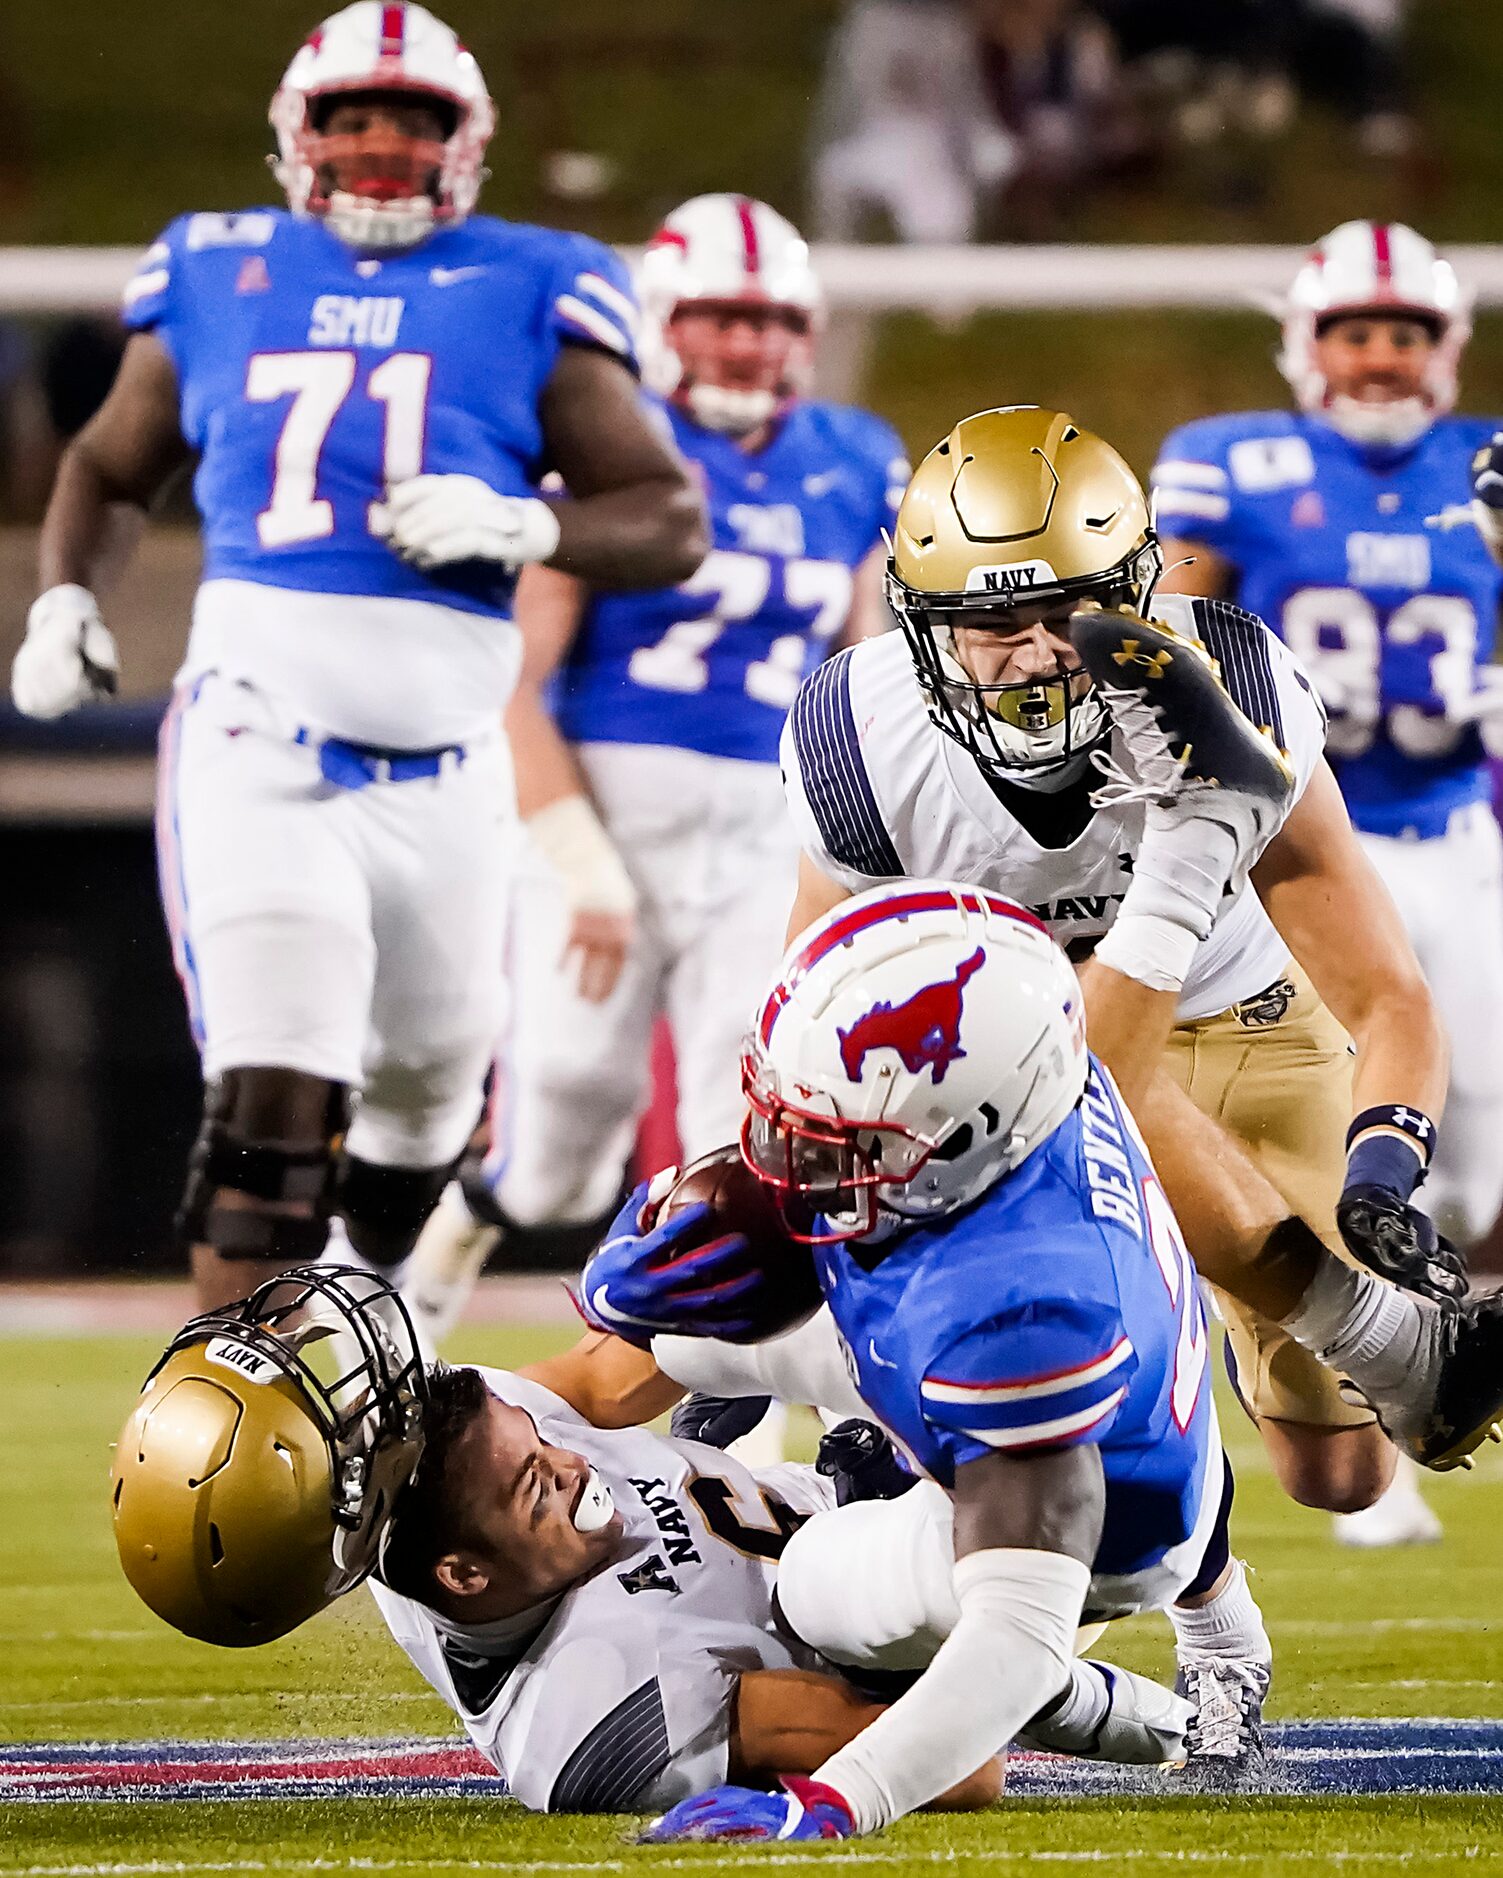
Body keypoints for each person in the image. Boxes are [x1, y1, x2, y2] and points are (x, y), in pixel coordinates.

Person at [8, 3, 704, 1312]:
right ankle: (231, 1425)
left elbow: (668, 516)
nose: (381, 143)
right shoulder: (219, 269)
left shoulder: (529, 281)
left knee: (425, 1116)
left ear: (465, 141)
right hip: (260, 737)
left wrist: (529, 520)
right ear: (298, 135)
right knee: (273, 1099)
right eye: (353, 117)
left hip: (448, 769)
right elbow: (108, 463)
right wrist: (64, 603)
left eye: (412, 119)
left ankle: (357, 1353)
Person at [760, 404, 1503, 1522]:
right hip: (1017, 1054)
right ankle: (1363, 1339)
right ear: (921, 622)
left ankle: (1318, 1323)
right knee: (1048, 1060)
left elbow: (1386, 990)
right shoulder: (863, 737)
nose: (1042, 656)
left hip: (1254, 1020)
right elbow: (813, 1020)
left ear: (1139, 593)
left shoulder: (1236, 682)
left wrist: (1382, 1168)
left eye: (1074, 611)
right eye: (993, 623)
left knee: (1341, 1478)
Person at [576, 885, 1272, 1838]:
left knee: (815, 1580)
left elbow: (1019, 1636)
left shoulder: (1024, 1317)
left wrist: (834, 1802)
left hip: (1111, 1525)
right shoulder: (1010, 1077)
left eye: (835, 1137)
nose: (789, 1149)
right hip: (1056, 1342)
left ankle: (1095, 1702)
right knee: (684, 1328)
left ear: (960, 1139)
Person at [109, 1265, 1191, 1814]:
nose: (571, 1458)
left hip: (810, 1486)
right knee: (823, 1589)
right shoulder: (595, 1717)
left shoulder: (453, 1451)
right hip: (912, 1573)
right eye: (539, 1483)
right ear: (463, 1574)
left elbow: (620, 1368)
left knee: (704, 1319)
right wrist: (1052, 1688)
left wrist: (730, 1257)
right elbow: (962, 1772)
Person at [400, 194, 906, 1353]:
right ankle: (454, 1243)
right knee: (558, 1145)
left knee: (753, 1121)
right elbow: (509, 681)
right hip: (600, 810)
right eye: (723, 316)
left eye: (773, 318)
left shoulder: (852, 459)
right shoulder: (612, 450)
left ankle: (739, 1384)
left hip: (772, 827)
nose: (749, 342)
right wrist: (584, 865)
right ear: (665, 322)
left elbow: (866, 669)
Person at [1153, 219, 1503, 1545]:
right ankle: (1336, 1396)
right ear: (1305, 345)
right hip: (1287, 850)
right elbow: (1165, 636)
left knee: (1456, 1143)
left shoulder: (1475, 470)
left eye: (1401, 334)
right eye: (1353, 331)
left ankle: (1406, 1374)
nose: (1375, 357)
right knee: (1312, 1129)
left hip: (1441, 830)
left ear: (1443, 347)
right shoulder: (1230, 462)